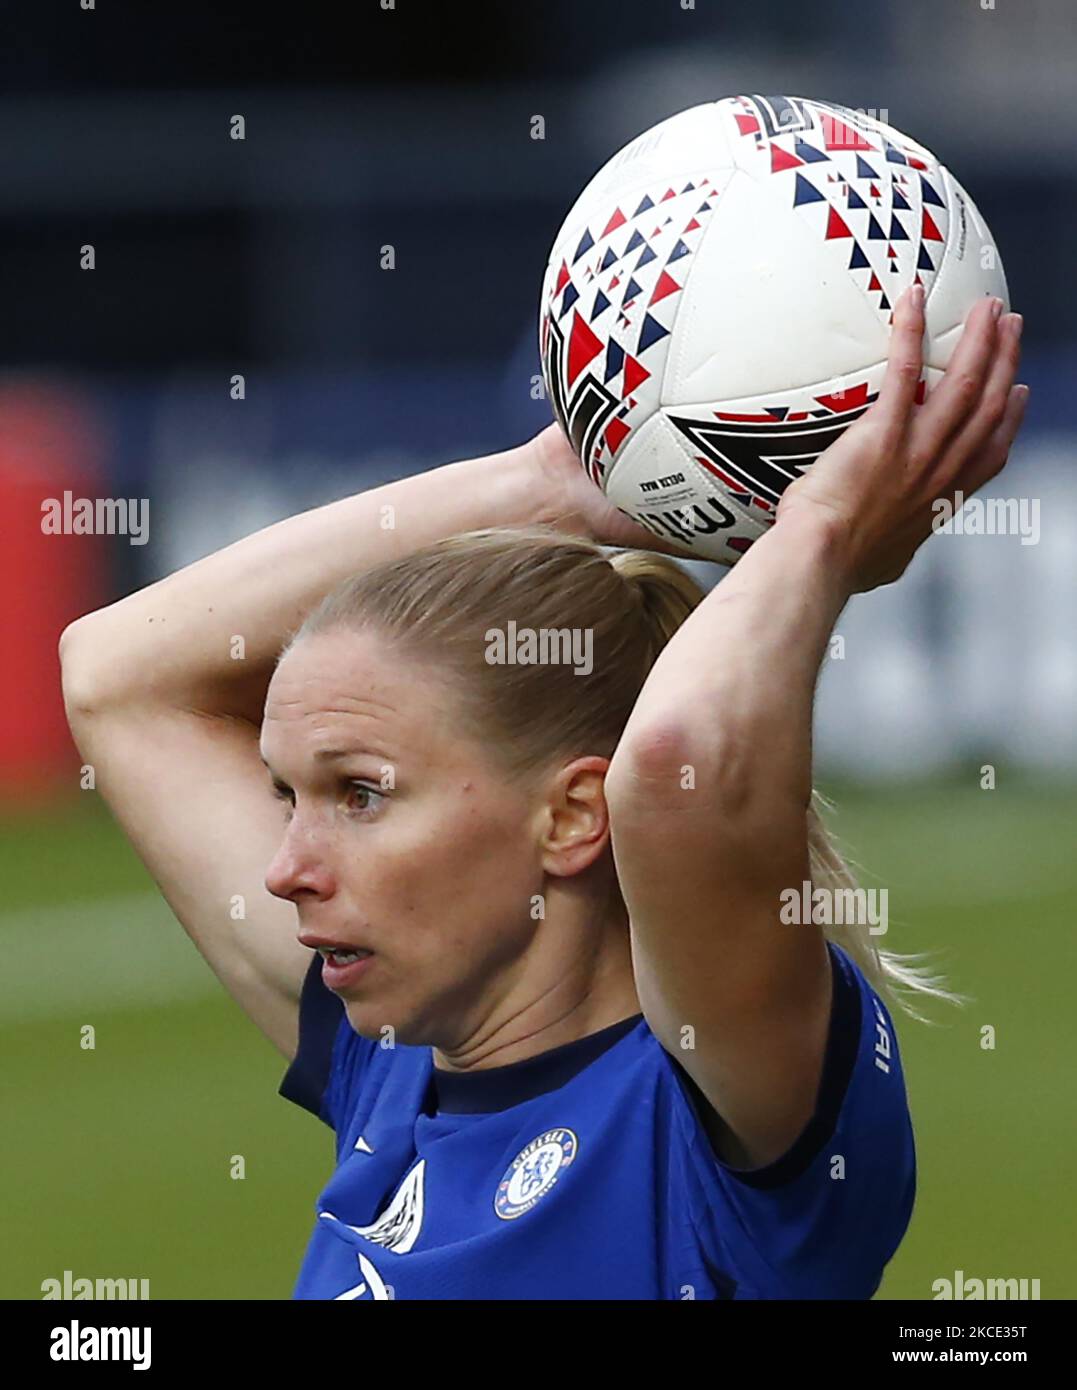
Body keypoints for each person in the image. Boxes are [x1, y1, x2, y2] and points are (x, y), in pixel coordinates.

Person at [60, 286, 1026, 1298]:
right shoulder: (393, 1069)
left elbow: (676, 767)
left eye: (359, 795)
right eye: (286, 793)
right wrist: (552, 483)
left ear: (571, 816)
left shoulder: (719, 1113)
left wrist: (820, 531)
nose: (287, 866)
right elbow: (113, 675)